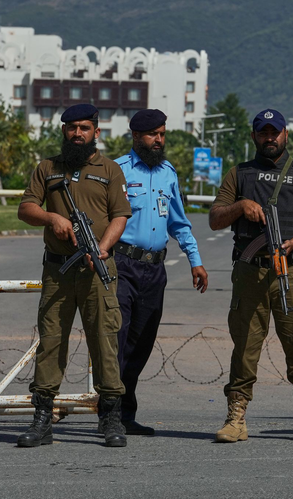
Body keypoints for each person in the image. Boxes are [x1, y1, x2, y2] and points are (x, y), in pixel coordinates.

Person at [209, 109, 293, 444]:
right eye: (263, 132)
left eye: (274, 132)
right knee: (245, 346)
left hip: (292, 269)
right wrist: (240, 206)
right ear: (254, 136)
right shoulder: (239, 174)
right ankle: (236, 418)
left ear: (285, 134)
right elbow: (215, 218)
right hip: (250, 270)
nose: (269, 138)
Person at [17, 104, 132, 448]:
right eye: (71, 127)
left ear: (96, 132)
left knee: (104, 340)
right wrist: (52, 218)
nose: (77, 133)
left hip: (97, 268)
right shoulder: (47, 168)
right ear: (64, 130)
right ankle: (42, 418)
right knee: (51, 341)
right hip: (58, 269)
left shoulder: (110, 170)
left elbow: (120, 216)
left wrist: (102, 248)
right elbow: (26, 208)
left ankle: (110, 417)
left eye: (84, 127)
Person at [108, 109, 208, 435]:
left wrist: (195, 259)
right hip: (122, 265)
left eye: (163, 134)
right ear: (136, 136)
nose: (159, 140)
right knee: (118, 339)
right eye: (153, 135)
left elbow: (179, 222)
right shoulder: (117, 171)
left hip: (154, 270)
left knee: (141, 343)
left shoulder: (168, 173)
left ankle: (125, 414)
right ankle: (110, 414)